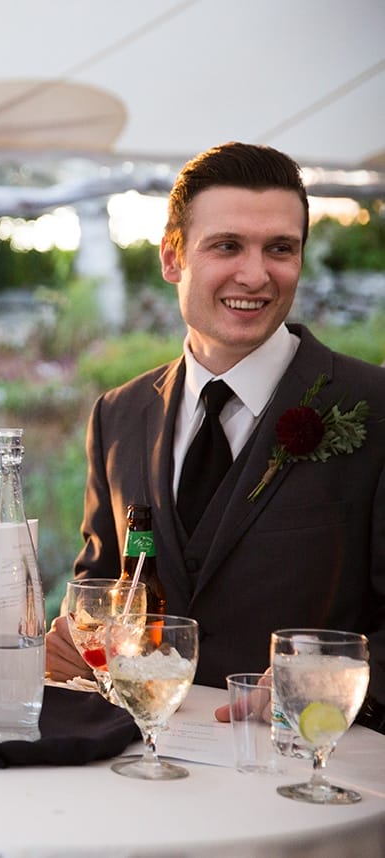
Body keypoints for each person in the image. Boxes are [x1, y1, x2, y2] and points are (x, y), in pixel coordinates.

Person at [44, 142, 385, 732]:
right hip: (136, 758)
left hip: (315, 764)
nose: (255, 275)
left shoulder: (375, 408)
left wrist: (319, 681)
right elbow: (100, 585)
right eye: (227, 246)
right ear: (173, 258)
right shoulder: (118, 416)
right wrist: (74, 634)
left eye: (280, 249)